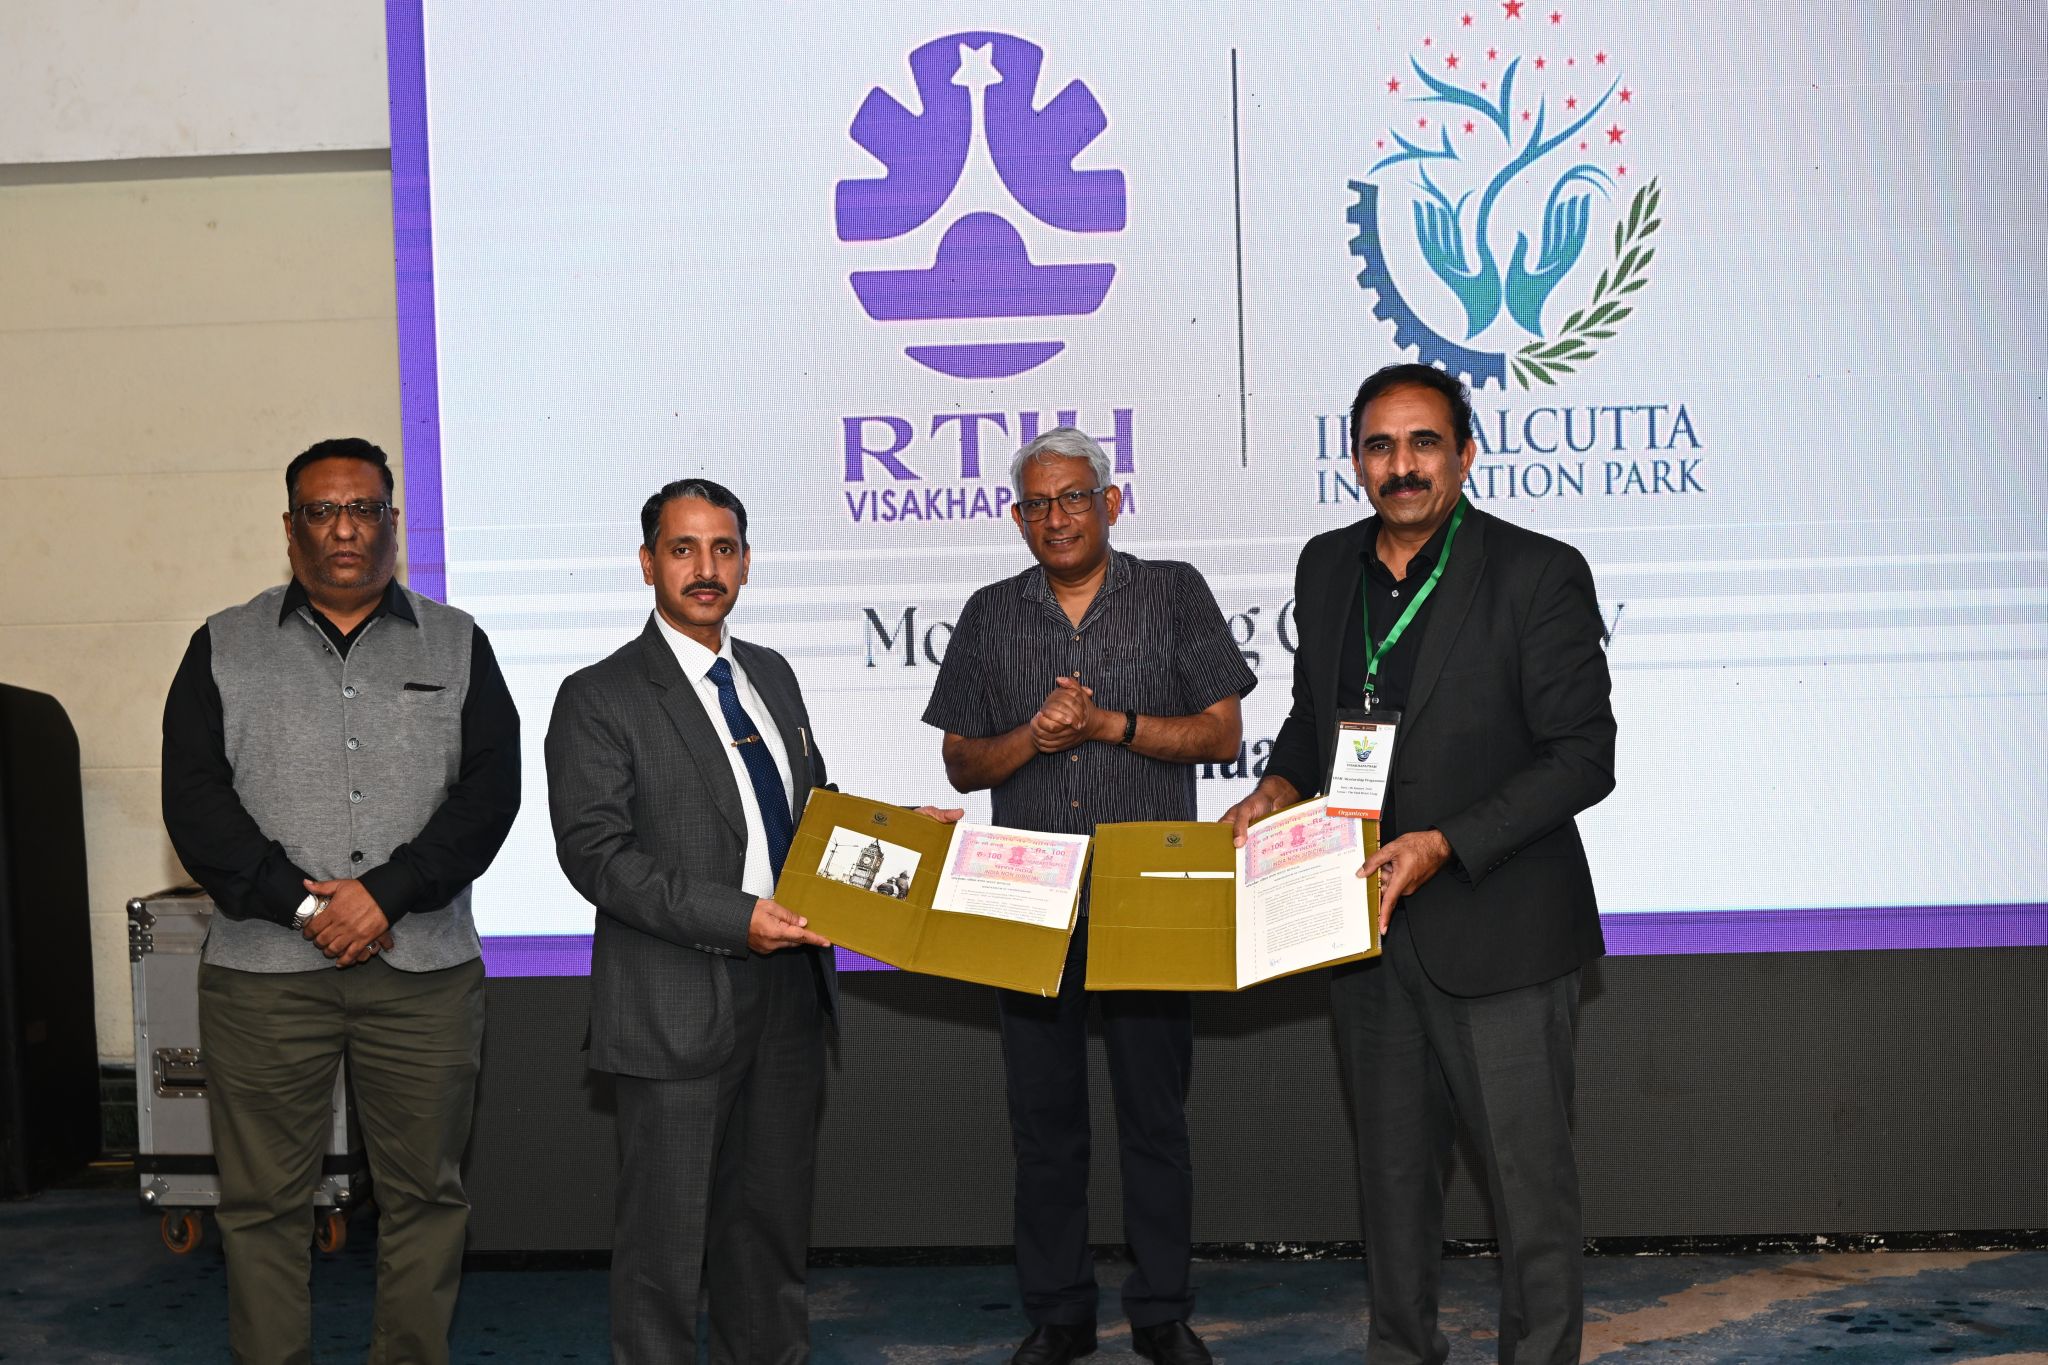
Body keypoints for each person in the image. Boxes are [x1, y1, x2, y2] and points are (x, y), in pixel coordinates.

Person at [1221, 364, 1616, 1365]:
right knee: (1392, 1191)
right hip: (1362, 929)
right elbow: (1315, 720)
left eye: (1423, 443)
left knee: (1528, 1196)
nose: (1401, 466)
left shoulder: (1536, 572)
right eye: (1379, 446)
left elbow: (1583, 756)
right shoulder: (1326, 566)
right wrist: (1278, 784)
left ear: (1465, 454)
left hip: (1502, 933)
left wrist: (1445, 843)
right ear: (1356, 460)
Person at [544, 477, 957, 1364]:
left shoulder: (769, 672)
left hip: (789, 995)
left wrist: (900, 834)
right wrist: (740, 920)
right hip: (675, 1000)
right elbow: (597, 855)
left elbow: (808, 816)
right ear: (647, 562)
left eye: (723, 549)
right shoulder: (599, 694)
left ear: (746, 562)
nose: (706, 568)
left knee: (768, 1237)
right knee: (664, 1252)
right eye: (683, 549)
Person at [161, 436, 520, 1365]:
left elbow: (489, 795)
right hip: (264, 977)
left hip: (424, 973)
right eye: (322, 511)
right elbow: (195, 804)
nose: (345, 528)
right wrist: (307, 907)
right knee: (262, 1206)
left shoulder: (460, 643)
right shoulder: (222, 646)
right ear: (291, 530)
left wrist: (386, 895)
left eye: (363, 508)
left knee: (426, 1198)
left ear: (393, 521)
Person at [922, 429, 1257, 1365]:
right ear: (1016, 517)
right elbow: (960, 762)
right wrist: (1034, 737)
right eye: (1038, 503)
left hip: (1150, 887)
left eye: (1074, 497)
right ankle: (1059, 1312)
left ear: (1110, 504)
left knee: (1156, 1118)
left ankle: (1161, 1310)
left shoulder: (1174, 592)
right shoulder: (990, 614)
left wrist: (1107, 723)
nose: (1057, 517)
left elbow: (1223, 734)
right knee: (1045, 1126)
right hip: (1027, 892)